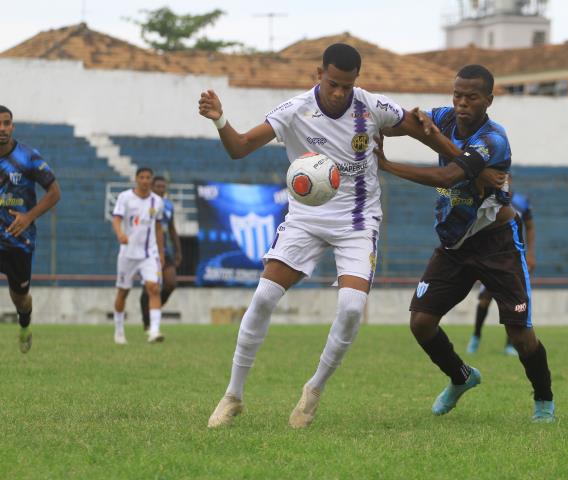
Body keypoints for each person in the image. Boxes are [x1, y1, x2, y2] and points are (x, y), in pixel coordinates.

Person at [198, 43, 492, 429]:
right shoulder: (294, 111)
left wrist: (466, 164)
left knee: (352, 308)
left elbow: (422, 129)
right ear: (318, 75)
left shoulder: (371, 107)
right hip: (306, 220)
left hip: (357, 222)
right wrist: (221, 120)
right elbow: (239, 148)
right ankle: (233, 396)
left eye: (347, 86)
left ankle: (314, 390)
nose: (339, 93)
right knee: (265, 296)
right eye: (333, 83)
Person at [375, 64, 555, 422]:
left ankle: (544, 400)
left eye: (471, 97)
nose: (461, 103)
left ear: (488, 99)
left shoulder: (493, 139)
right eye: (457, 95)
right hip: (455, 242)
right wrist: (385, 123)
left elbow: (446, 175)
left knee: (521, 337)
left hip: (498, 242)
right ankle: (461, 377)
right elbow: (409, 125)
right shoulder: (443, 117)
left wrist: (387, 164)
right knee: (421, 323)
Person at [0, 105, 61, 353]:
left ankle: (25, 323)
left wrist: (28, 217)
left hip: (17, 239)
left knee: (21, 298)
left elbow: (54, 192)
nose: (1, 129)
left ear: (12, 126)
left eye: (6, 123)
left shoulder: (28, 156)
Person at [468, 180, 536, 356]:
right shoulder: (490, 200)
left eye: (507, 177)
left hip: (513, 258)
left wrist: (531, 253)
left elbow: (529, 226)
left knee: (514, 302)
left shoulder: (521, 202)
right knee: (485, 299)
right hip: (491, 257)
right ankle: (476, 336)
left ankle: (510, 345)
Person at [111, 167, 165, 344]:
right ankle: (119, 331)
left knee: (153, 288)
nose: (145, 180)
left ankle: (154, 331)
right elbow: (117, 219)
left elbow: (158, 228)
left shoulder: (157, 202)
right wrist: (120, 234)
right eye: (142, 177)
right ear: (136, 179)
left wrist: (161, 252)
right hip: (128, 254)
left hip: (149, 254)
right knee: (123, 292)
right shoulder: (125, 198)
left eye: (148, 177)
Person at [140, 176, 182, 332]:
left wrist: (178, 250)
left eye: (163, 186)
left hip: (165, 249)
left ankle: (154, 310)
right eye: (157, 186)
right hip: (147, 249)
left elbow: (171, 229)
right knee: (150, 286)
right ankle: (147, 320)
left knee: (171, 283)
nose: (160, 189)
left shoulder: (168, 206)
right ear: (152, 187)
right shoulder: (145, 204)